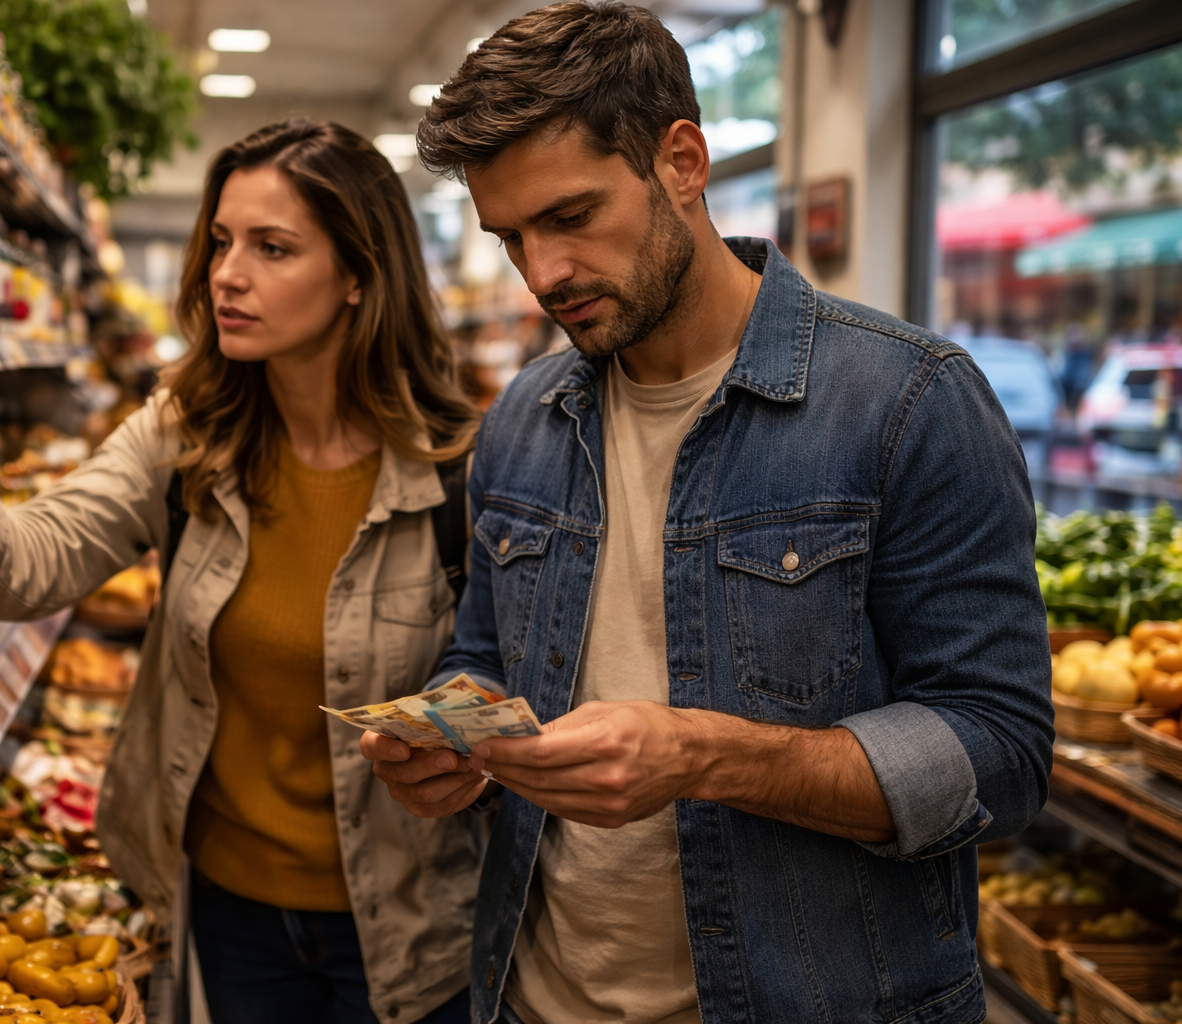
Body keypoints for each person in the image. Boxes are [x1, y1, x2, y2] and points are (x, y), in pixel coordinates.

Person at [361, 4, 1055, 1024]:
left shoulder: (908, 401)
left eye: (570, 216)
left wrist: (707, 755)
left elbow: (1000, 750)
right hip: (534, 995)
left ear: (681, 159)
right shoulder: (523, 416)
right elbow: (490, 654)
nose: (542, 274)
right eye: (510, 237)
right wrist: (449, 730)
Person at [0, 119, 482, 1024]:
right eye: (220, 241)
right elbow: (20, 566)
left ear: (358, 276)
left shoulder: (463, 468)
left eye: (272, 247)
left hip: (415, 931)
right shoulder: (188, 434)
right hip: (228, 912)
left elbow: (505, 686)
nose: (228, 272)